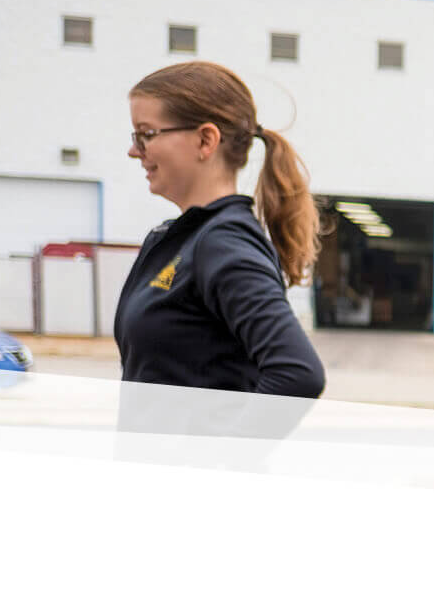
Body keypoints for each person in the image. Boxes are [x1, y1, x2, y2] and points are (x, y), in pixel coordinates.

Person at [116, 61, 325, 399]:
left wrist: (221, 452)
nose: (134, 151)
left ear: (206, 140)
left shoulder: (222, 242)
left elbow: (298, 374)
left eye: (146, 134)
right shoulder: (184, 238)